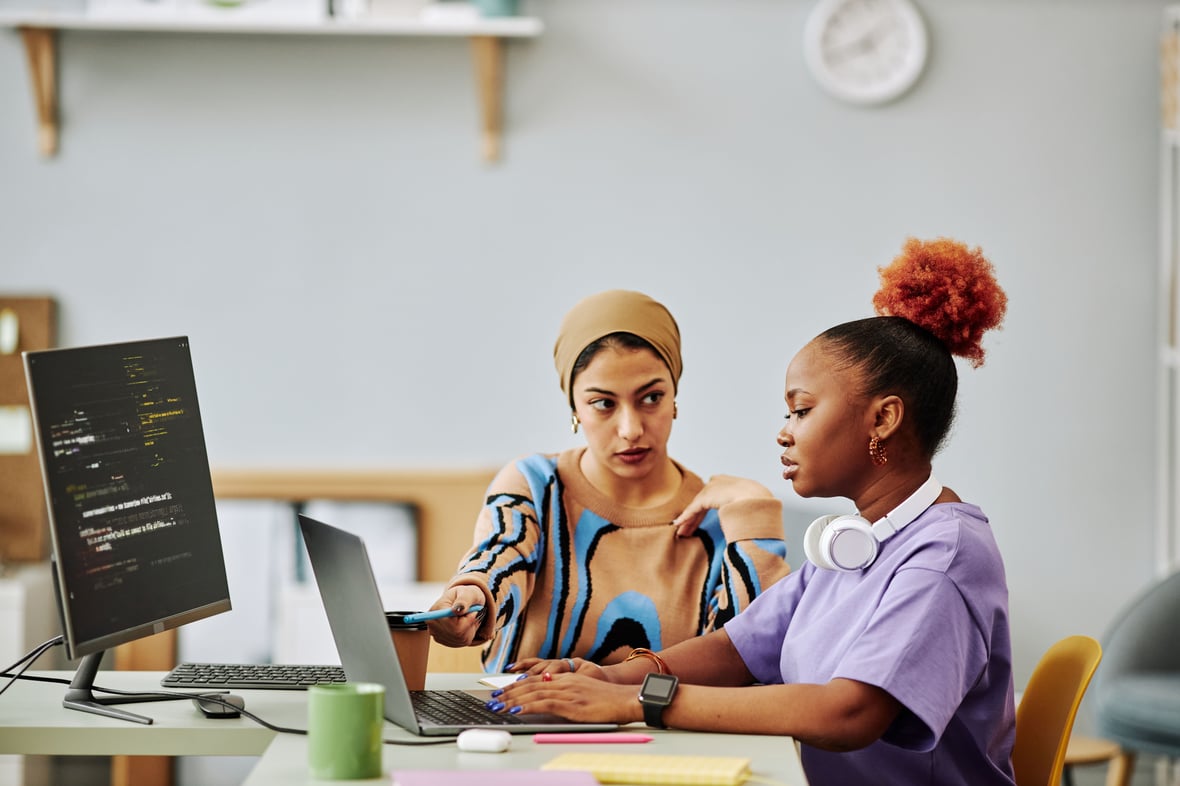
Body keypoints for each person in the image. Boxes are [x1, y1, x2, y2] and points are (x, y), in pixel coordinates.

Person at [491, 238, 1015, 786]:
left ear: (883, 419)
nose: (784, 432)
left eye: (802, 410)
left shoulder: (944, 558)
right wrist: (606, 677)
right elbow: (736, 649)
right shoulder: (858, 541)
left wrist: (638, 702)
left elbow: (849, 713)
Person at [426, 289, 793, 673]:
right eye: (603, 403)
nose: (631, 429)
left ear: (674, 397)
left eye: (651, 398)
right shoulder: (536, 486)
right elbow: (501, 558)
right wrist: (470, 595)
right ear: (574, 408)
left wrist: (754, 512)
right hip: (518, 727)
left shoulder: (721, 520)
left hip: (667, 733)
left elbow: (750, 660)